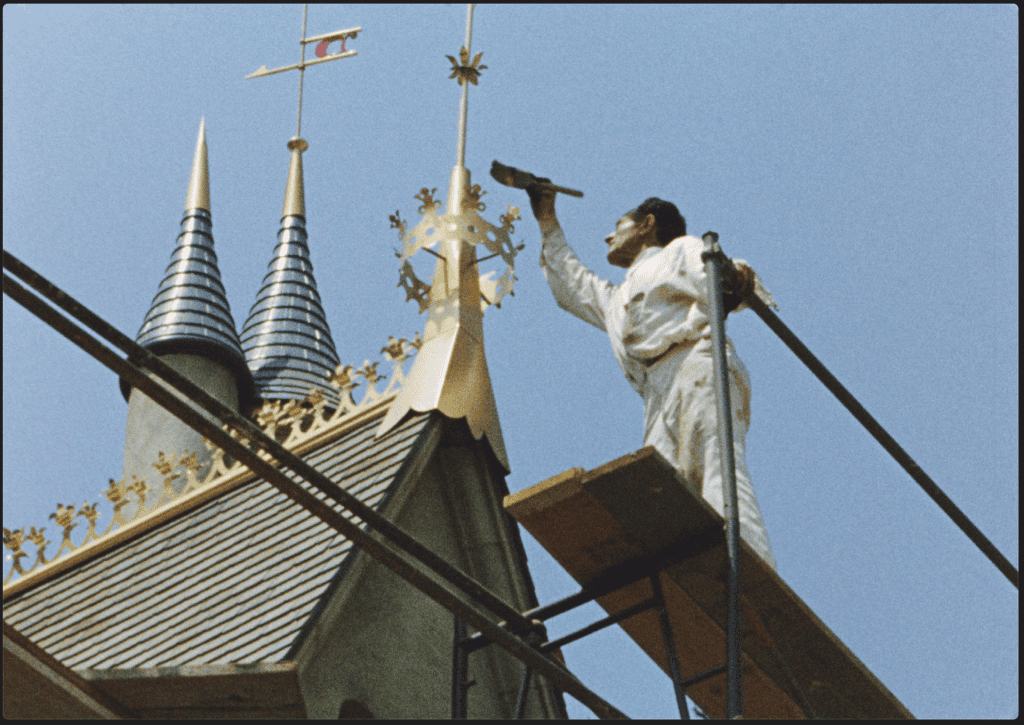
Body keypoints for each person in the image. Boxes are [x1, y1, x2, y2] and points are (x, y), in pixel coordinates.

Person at [527, 185, 778, 571]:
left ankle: (750, 568)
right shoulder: (617, 298)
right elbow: (572, 284)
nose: (608, 236)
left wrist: (736, 280)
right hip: (656, 393)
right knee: (664, 494)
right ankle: (694, 581)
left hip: (693, 362)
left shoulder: (676, 251)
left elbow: (718, 271)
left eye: (618, 225)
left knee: (714, 462)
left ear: (647, 225)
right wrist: (547, 218)